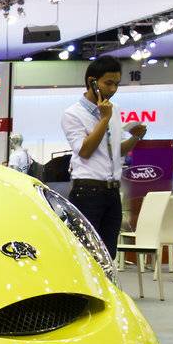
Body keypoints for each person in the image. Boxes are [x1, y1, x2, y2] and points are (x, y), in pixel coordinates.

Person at [60, 55, 147, 255]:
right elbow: (85, 150)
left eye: (117, 84)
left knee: (109, 254)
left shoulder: (114, 109)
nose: (113, 89)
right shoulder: (72, 114)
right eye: (108, 83)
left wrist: (135, 138)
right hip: (87, 191)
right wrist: (104, 119)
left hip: (112, 192)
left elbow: (116, 151)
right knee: (87, 254)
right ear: (92, 81)